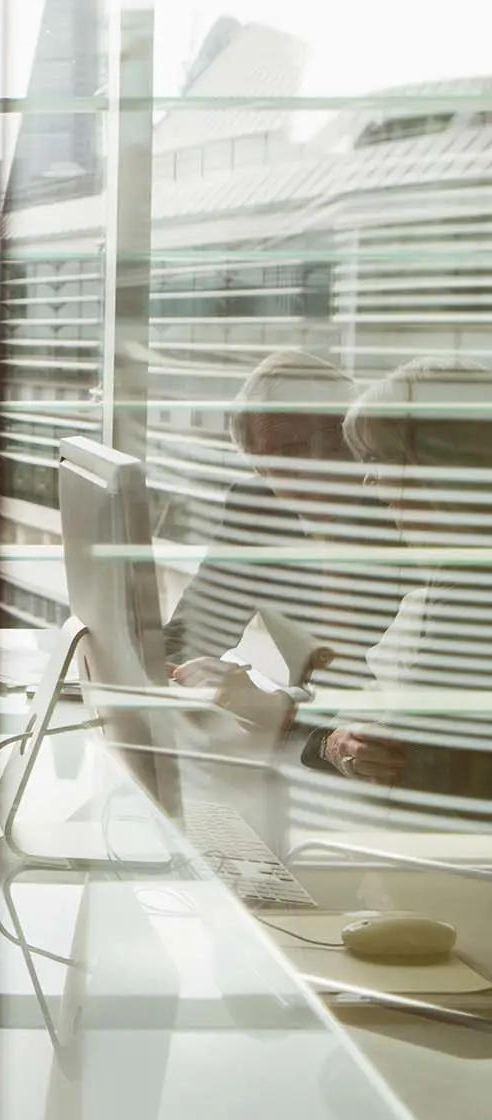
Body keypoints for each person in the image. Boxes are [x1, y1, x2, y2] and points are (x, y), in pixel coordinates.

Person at [186, 359, 492, 825]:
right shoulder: (259, 505)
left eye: (315, 444)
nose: (294, 474)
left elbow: (402, 754)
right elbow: (377, 706)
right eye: (272, 463)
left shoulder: (447, 566)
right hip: (337, 783)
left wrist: (280, 720)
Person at [164, 350, 403, 689]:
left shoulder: (401, 507)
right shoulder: (256, 509)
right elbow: (196, 628)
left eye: (326, 437)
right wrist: (162, 666)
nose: (310, 461)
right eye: (278, 456)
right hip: (301, 724)